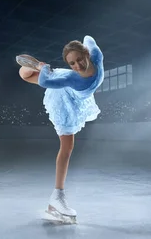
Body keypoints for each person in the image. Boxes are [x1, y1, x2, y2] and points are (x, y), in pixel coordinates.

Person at [18, 35, 104, 223]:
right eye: (72, 63)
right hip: (63, 95)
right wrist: (43, 69)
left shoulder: (97, 55)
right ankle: (57, 196)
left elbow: (89, 39)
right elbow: (44, 82)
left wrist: (85, 40)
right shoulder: (71, 77)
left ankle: (36, 65)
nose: (78, 66)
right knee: (67, 147)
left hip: (71, 90)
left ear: (87, 54)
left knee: (28, 75)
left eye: (79, 59)